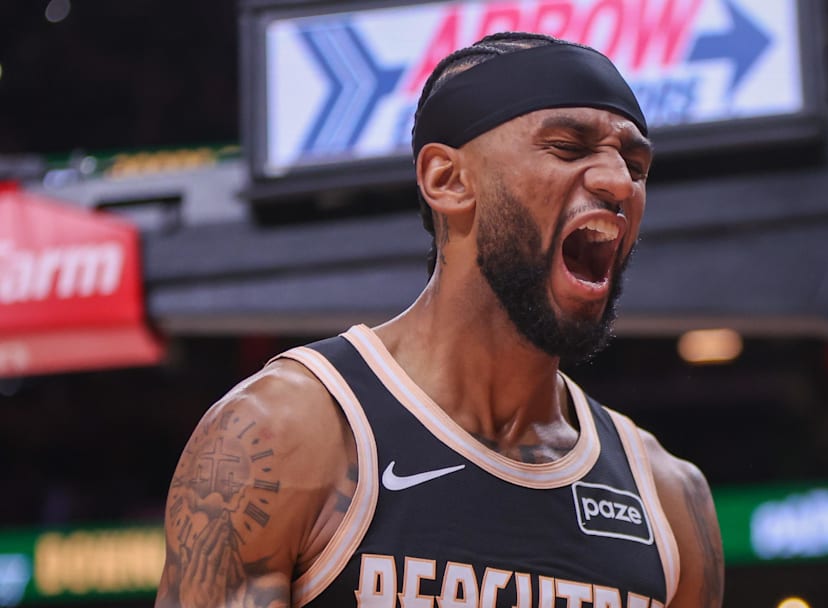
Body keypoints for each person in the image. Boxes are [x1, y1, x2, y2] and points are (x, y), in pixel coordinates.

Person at [155, 32, 723, 608]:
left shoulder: (669, 499)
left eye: (635, 164)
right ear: (447, 180)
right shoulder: (285, 434)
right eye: (568, 148)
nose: (620, 182)